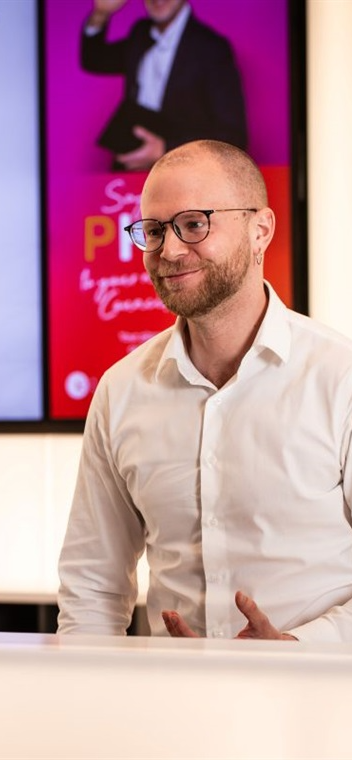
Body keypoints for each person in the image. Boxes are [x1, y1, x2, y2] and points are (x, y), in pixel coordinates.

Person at [58, 139, 352, 641]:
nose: (169, 251)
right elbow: (93, 587)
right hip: (172, 707)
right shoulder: (120, 390)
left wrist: (298, 646)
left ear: (260, 230)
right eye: (153, 231)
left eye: (194, 224)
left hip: (320, 704)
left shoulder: (339, 375)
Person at [81, 0, 247, 170]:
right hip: (130, 170)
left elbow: (233, 135)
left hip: (184, 174)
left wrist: (166, 149)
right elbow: (94, 60)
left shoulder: (212, 48)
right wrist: (101, 13)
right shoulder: (140, 34)